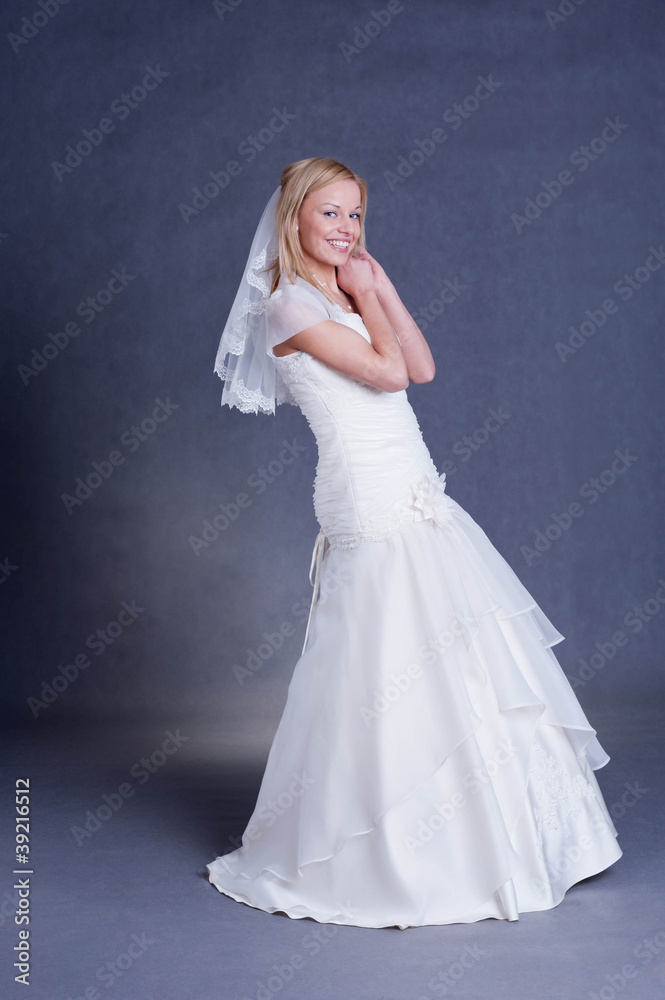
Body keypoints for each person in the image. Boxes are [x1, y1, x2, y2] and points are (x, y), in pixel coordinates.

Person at [206, 157, 622, 929]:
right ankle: (383, 846)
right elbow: (387, 376)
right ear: (294, 217)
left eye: (356, 215)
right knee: (384, 653)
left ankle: (502, 836)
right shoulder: (287, 308)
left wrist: (380, 288)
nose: (345, 229)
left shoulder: (341, 291)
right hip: (366, 492)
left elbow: (422, 367)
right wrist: (366, 297)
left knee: (449, 645)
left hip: (415, 483)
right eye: (329, 214)